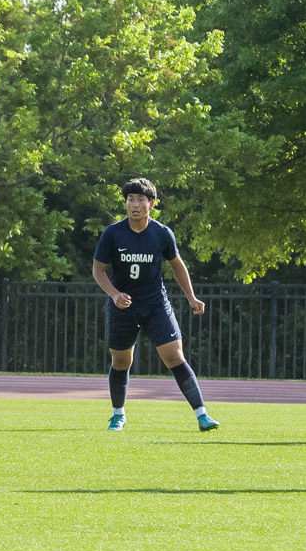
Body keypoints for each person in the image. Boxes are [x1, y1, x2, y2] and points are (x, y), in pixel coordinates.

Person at [91, 177, 218, 432]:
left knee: (175, 356)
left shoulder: (162, 233)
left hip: (155, 304)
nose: (134, 205)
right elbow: (98, 271)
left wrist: (191, 298)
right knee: (121, 361)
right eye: (130, 199)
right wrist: (115, 294)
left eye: (140, 200)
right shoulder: (112, 233)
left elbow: (177, 266)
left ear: (151, 203)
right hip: (123, 307)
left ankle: (202, 415)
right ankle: (118, 414)